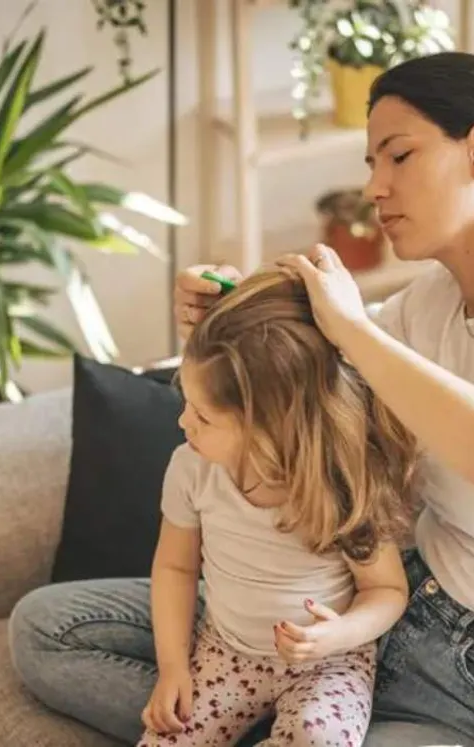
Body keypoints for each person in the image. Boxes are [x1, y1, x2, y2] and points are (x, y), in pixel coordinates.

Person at [10, 51, 474, 747]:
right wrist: (225, 308)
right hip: (350, 609)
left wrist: (353, 326)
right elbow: (292, 377)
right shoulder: (429, 304)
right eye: (370, 163)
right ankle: (240, 714)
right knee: (45, 630)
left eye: (398, 156)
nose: (374, 188)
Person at [136, 269, 420, 747]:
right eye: (186, 403)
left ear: (271, 428)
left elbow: (387, 589)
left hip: (327, 663)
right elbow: (175, 567)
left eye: (203, 416)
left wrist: (341, 633)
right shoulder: (192, 468)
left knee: (319, 738)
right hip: (225, 650)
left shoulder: (339, 482)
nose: (184, 421)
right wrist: (172, 668)